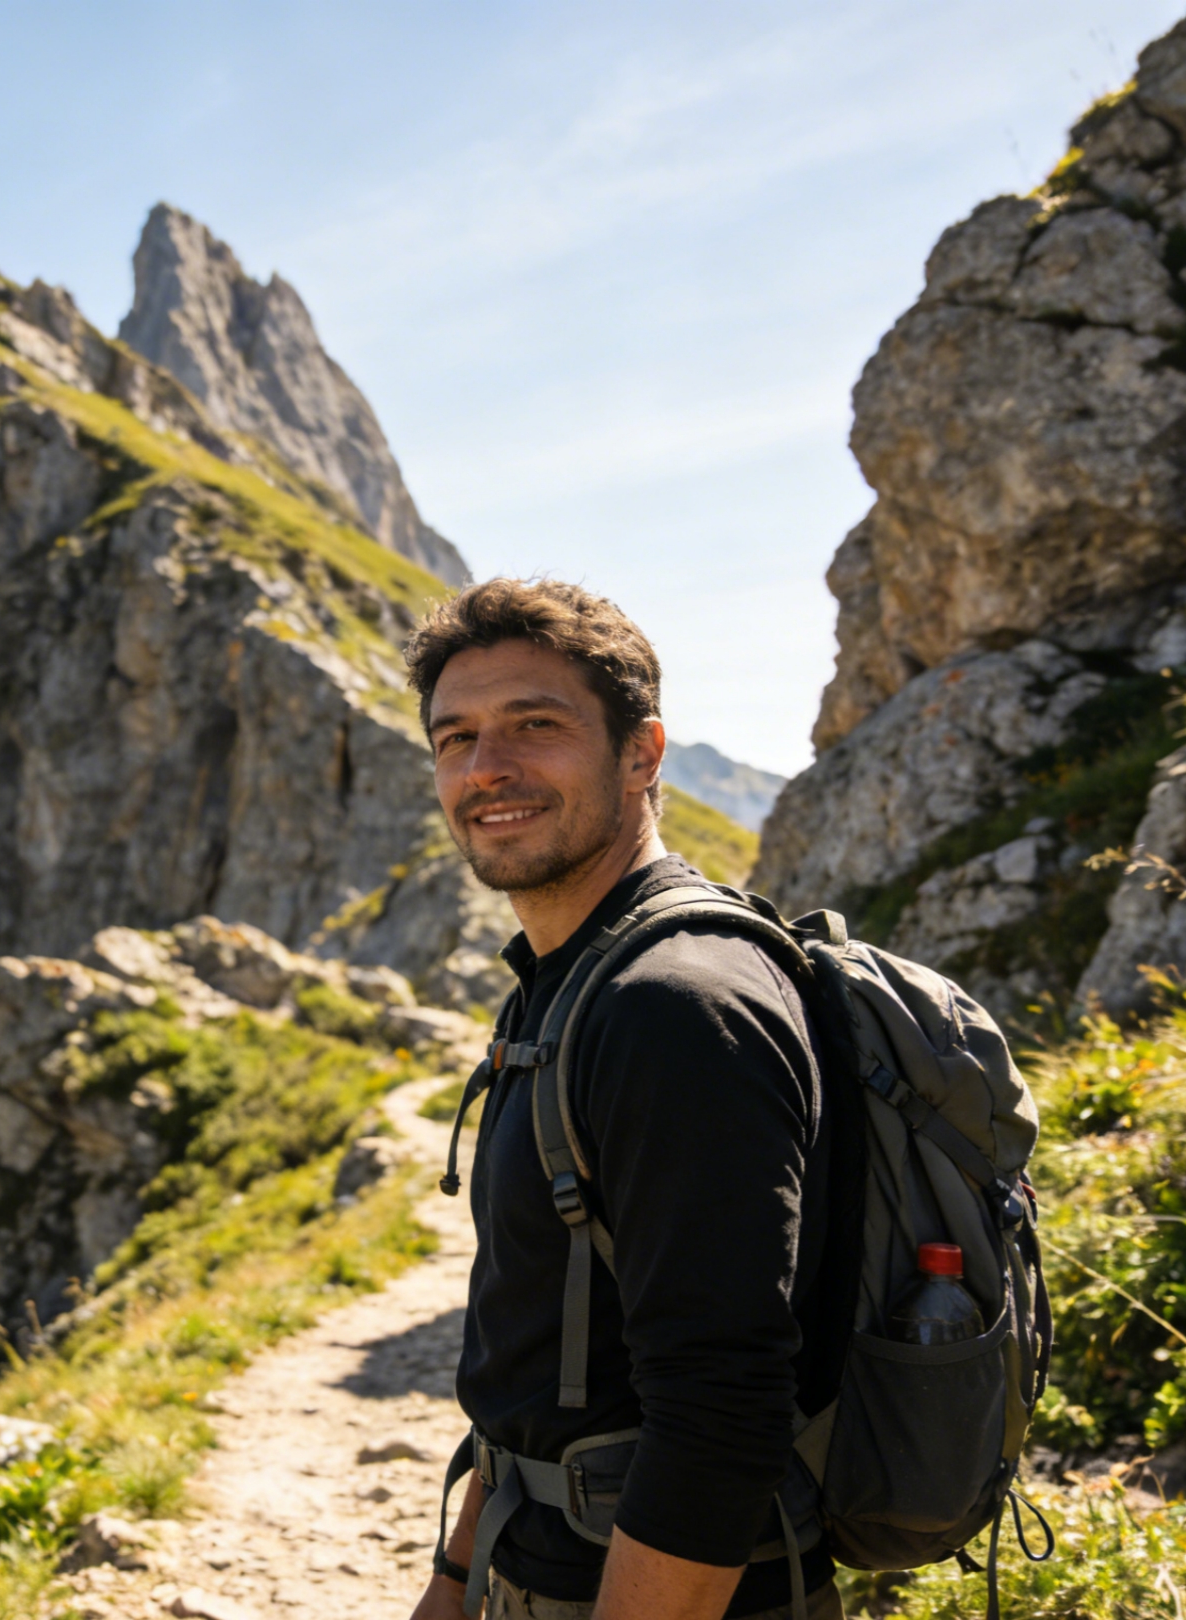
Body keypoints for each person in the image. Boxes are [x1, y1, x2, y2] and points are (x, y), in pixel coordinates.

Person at [401, 579, 844, 1620]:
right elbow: (533, 1359)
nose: (486, 768)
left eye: (534, 726)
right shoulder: (566, 981)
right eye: (455, 738)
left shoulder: (675, 1004)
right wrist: (455, 1587)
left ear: (642, 753)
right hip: (539, 1565)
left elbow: (723, 1414)